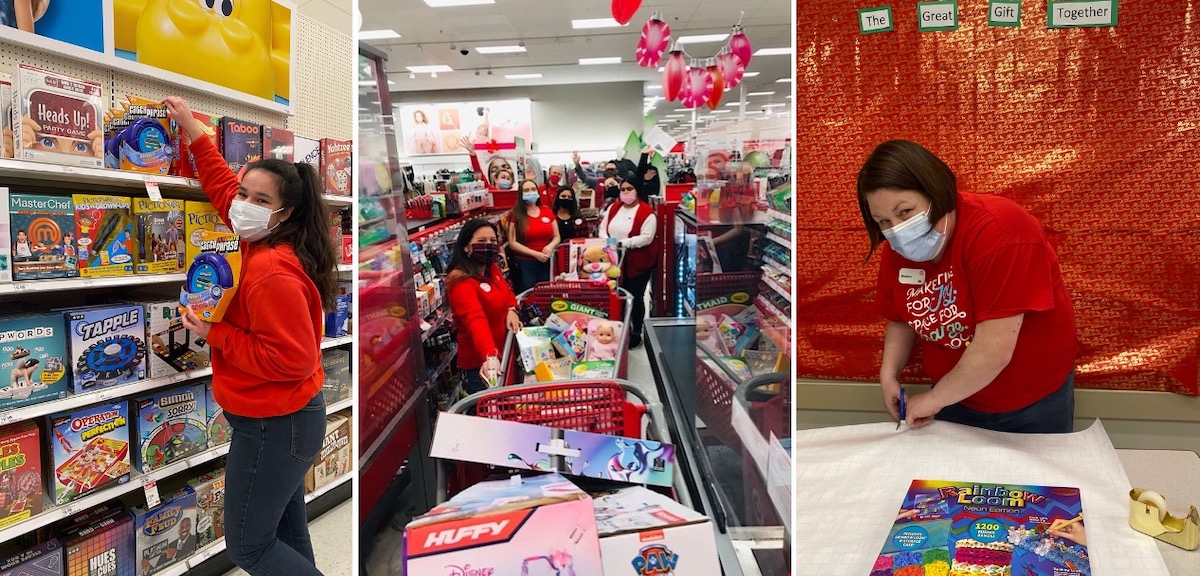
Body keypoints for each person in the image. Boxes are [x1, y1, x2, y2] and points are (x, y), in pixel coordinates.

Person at [164, 96, 338, 576]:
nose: (242, 205)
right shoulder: (264, 238)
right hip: (283, 419)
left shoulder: (269, 271)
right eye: (245, 194)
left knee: (248, 547)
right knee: (285, 532)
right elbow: (224, 188)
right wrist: (196, 133)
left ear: (286, 214)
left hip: (274, 425)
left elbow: (294, 360)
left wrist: (215, 333)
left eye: (260, 201)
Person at [859, 139, 1076, 434]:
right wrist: (888, 375)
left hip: (1032, 403)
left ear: (937, 192)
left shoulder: (1001, 232)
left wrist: (934, 399)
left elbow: (993, 351)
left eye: (905, 212)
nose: (897, 230)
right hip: (954, 396)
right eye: (883, 221)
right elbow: (901, 317)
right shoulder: (898, 249)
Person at [446, 219, 522, 393]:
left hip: (502, 355)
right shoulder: (460, 281)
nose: (488, 246)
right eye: (481, 242)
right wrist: (489, 355)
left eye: (492, 241)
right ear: (467, 246)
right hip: (481, 367)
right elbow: (475, 319)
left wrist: (511, 309)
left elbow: (507, 292)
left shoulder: (491, 268)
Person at [600, 180, 657, 348]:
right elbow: (603, 227)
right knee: (617, 295)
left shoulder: (647, 212)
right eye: (622, 189)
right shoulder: (614, 207)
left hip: (638, 262)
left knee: (635, 296)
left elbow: (647, 237)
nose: (625, 192)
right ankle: (619, 327)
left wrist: (624, 243)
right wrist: (607, 241)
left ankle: (636, 331)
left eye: (629, 189)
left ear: (637, 190)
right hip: (614, 259)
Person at [506, 179, 560, 293]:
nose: (530, 192)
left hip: (547, 261)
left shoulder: (546, 210)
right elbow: (512, 242)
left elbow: (556, 236)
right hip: (526, 265)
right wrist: (535, 254)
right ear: (521, 194)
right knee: (530, 295)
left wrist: (550, 246)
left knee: (547, 294)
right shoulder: (515, 214)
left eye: (533, 189)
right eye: (526, 190)